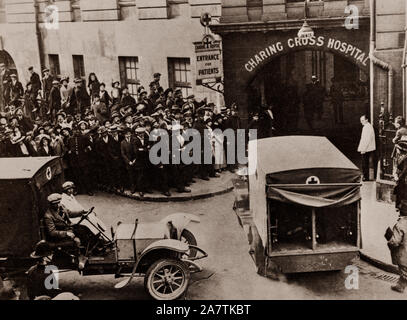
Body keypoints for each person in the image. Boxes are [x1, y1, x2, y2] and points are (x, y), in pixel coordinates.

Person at [386, 201, 407, 293]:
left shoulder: (400, 224)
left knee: (404, 270)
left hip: (404, 253)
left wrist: (389, 236)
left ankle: (400, 286)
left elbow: (395, 242)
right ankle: (400, 286)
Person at [357, 115, 376, 181]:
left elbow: (366, 139)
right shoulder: (367, 126)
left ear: (366, 120)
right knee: (365, 163)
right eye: (361, 121)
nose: (361, 122)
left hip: (366, 148)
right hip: (367, 148)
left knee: (364, 163)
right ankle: (366, 176)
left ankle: (365, 177)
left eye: (362, 120)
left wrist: (364, 149)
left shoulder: (367, 127)